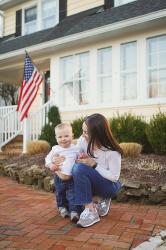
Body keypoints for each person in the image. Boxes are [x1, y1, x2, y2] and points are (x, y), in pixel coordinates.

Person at [54, 113, 123, 228]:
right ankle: (96, 200)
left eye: (86, 132)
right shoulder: (83, 141)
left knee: (79, 169)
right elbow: (74, 155)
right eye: (82, 131)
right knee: (75, 168)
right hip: (92, 181)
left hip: (109, 186)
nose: (82, 135)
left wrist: (94, 164)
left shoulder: (112, 152)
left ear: (97, 134)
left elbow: (114, 177)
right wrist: (58, 159)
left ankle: (91, 211)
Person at [45, 123, 80, 223]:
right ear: (56, 138)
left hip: (71, 177)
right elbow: (47, 159)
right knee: (60, 192)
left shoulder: (75, 148)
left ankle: (74, 211)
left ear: (72, 136)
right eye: (60, 137)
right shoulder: (55, 149)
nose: (63, 139)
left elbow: (79, 158)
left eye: (66, 136)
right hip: (58, 176)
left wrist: (81, 157)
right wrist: (51, 165)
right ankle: (62, 207)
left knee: (72, 193)